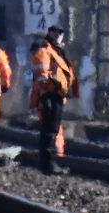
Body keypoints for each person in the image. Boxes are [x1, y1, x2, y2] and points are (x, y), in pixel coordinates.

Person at [29, 25, 78, 174]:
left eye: (60, 33)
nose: (58, 35)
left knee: (53, 129)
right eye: (55, 32)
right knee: (49, 129)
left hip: (57, 95)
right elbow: (41, 73)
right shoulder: (45, 49)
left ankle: (48, 163)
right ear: (50, 33)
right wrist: (50, 85)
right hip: (49, 94)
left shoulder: (59, 51)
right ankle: (48, 164)